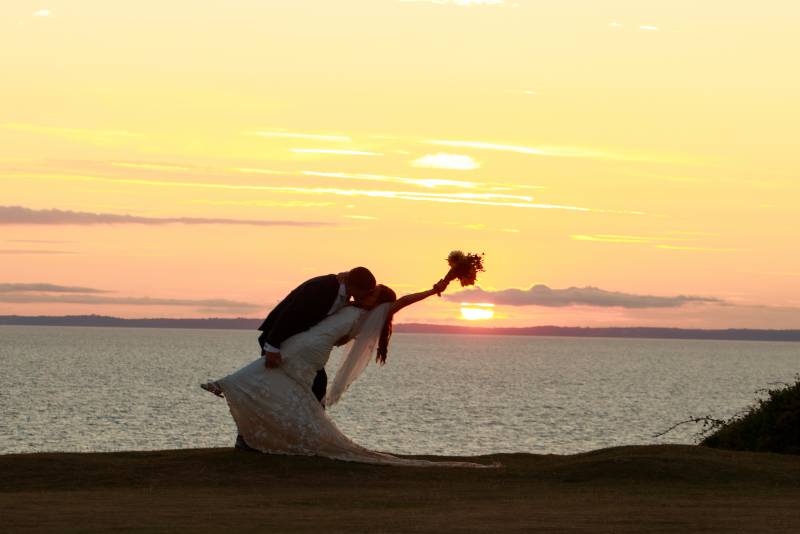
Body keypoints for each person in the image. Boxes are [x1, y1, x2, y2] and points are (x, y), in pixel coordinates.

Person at [202, 279, 487, 467]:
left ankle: (235, 396)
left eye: (373, 293)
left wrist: (437, 287)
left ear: (379, 301)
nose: (367, 293)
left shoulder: (373, 314)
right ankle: (257, 428)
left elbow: (406, 300)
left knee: (268, 376)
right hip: (303, 341)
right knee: (274, 380)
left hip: (309, 349)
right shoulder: (351, 306)